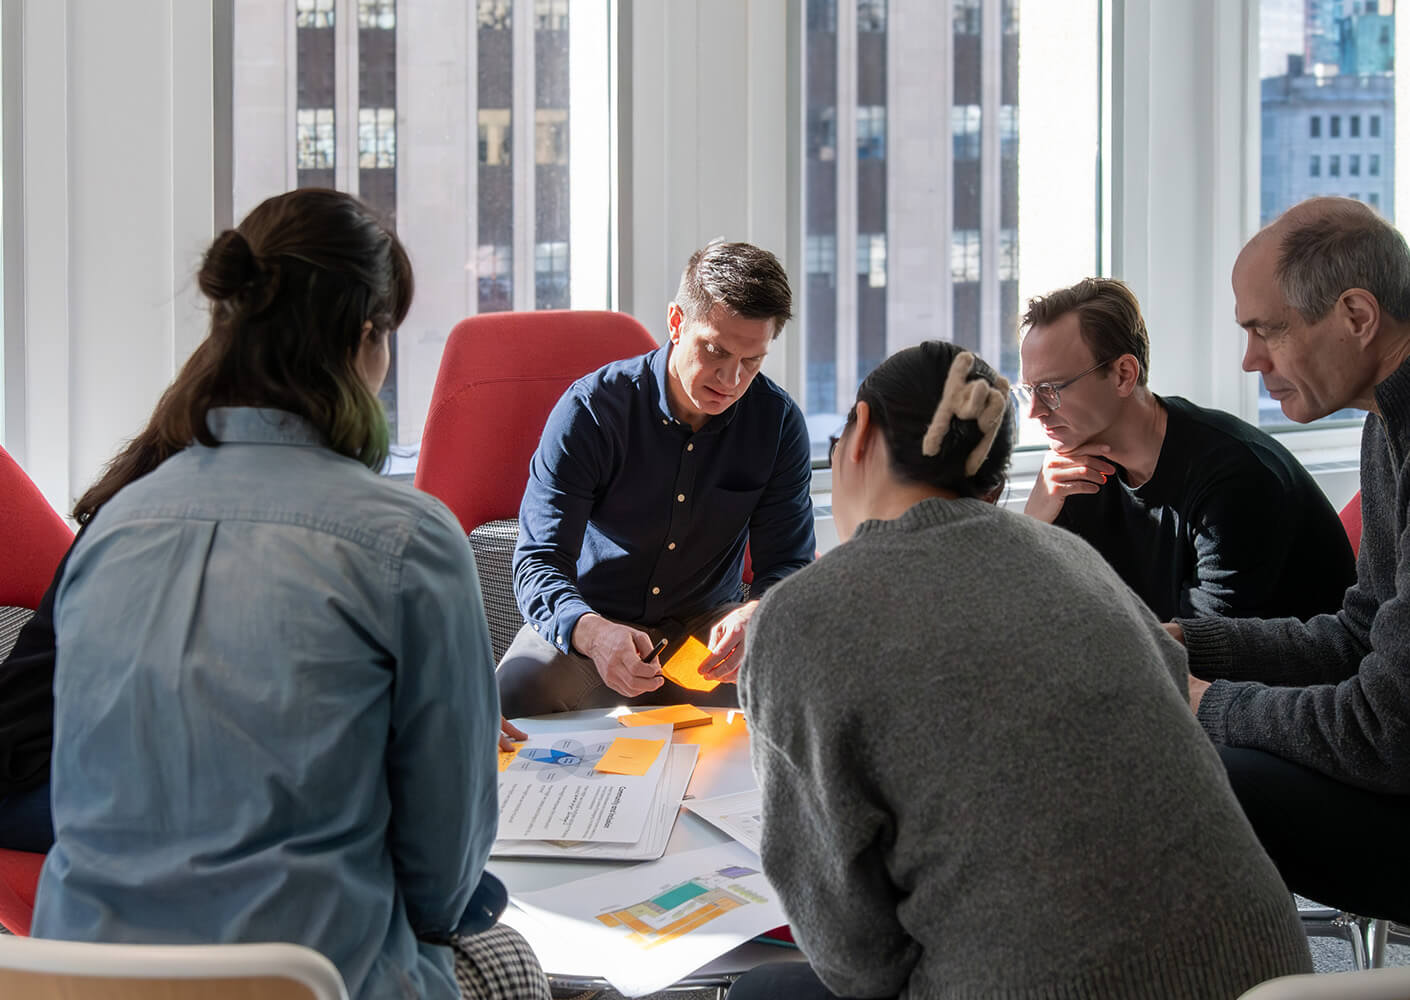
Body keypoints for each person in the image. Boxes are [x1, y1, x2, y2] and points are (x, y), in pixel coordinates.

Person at [31, 188, 550, 1000]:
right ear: (364, 339)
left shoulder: (110, 527)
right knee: (511, 957)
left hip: (77, 978)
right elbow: (443, 878)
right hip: (309, 983)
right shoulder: (407, 541)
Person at [729, 341, 1312, 1000]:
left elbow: (857, 963)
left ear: (858, 433)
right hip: (1270, 973)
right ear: (996, 483)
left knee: (761, 991)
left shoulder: (803, 615)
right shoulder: (1077, 560)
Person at [1170, 196, 1410, 924]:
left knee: (1193, 771)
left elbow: (1385, 732)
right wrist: (1187, 643)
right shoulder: (1386, 422)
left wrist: (1204, 704)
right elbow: (1358, 634)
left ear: (1357, 316)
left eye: (1266, 329)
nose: (1250, 360)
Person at [498, 240, 815, 718]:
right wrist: (590, 630)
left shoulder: (777, 423)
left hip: (708, 631)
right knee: (509, 701)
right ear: (675, 323)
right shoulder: (590, 412)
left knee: (803, 701)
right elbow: (538, 562)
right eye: (715, 350)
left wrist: (759, 613)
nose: (730, 379)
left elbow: (788, 564)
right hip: (596, 620)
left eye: (752, 361)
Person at [1019, 276, 1354, 621]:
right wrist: (1033, 524)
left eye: (1050, 389)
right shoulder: (1070, 475)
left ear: (1123, 374)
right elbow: (1036, 621)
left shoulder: (1234, 481)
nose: (1034, 411)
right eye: (1028, 389)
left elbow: (1204, 652)